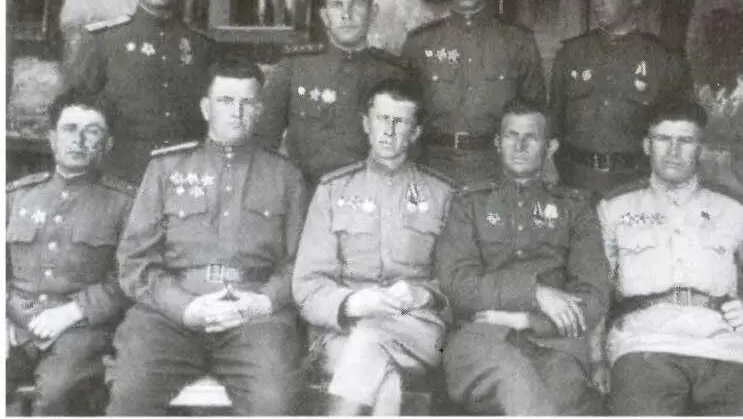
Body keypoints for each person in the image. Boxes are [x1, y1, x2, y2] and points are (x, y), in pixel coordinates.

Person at [106, 59, 308, 415]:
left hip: (255, 318)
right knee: (130, 392)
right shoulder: (166, 169)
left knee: (274, 401)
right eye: (226, 101)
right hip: (169, 316)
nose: (237, 112)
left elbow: (301, 263)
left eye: (247, 102)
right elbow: (135, 261)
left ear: (260, 110)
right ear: (205, 108)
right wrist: (184, 307)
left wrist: (264, 301)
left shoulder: (286, 176)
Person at [435, 99, 611, 415]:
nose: (519, 146)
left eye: (530, 137)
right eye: (510, 136)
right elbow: (457, 283)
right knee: (515, 380)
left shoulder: (575, 209)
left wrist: (526, 320)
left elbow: (593, 297)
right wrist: (534, 293)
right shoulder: (468, 204)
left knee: (566, 396)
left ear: (550, 147)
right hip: (479, 339)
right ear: (497, 143)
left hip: (554, 344)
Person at [292, 78, 454, 415]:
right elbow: (307, 286)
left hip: (414, 327)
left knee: (369, 340)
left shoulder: (441, 194)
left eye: (400, 122)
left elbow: (456, 285)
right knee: (384, 381)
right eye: (382, 119)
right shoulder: (333, 191)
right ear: (366, 123)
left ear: (415, 132)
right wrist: (353, 303)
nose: (389, 131)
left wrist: (422, 295)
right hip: (343, 329)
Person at [594, 99, 743, 415]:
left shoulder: (733, 208)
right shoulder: (615, 208)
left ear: (700, 149)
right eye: (663, 139)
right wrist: (596, 358)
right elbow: (595, 286)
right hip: (645, 344)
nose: (673, 151)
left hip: (725, 347)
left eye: (685, 141)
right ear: (646, 145)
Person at [6, 89, 133, 415]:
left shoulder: (123, 204)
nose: (79, 140)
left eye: (92, 131)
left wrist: (72, 312)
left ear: (107, 143)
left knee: (57, 391)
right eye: (70, 129)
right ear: (52, 139)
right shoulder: (15, 197)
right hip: (16, 323)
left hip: (82, 331)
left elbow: (129, 279)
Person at [66, 0, 216, 184]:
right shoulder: (104, 41)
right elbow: (74, 114)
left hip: (184, 180)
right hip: (122, 181)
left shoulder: (202, 47)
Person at [402, 0, 545, 187]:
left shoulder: (517, 43)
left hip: (494, 171)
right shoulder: (419, 44)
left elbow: (536, 116)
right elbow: (405, 114)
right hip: (432, 169)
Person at [255, 0, 409, 192]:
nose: (346, 14)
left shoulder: (393, 74)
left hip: (369, 196)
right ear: (325, 16)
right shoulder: (296, 66)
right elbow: (264, 140)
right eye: (337, 5)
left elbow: (407, 151)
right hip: (306, 194)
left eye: (356, 4)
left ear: (373, 13)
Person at [549, 0, 692, 198]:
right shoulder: (571, 54)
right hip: (574, 185)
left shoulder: (663, 60)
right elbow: (553, 124)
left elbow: (678, 134)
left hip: (634, 189)